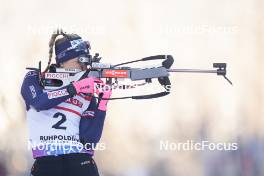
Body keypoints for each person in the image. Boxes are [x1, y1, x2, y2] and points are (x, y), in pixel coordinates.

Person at [21, 31, 111, 176]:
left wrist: (102, 104)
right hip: (47, 163)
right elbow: (38, 102)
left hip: (80, 162)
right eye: (79, 61)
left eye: (86, 63)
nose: (83, 68)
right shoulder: (35, 78)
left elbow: (89, 141)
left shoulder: (86, 91)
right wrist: (74, 88)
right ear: (62, 61)